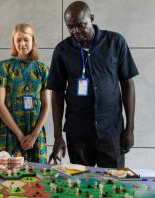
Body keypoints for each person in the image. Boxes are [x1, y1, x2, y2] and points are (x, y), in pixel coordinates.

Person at [47, 1, 138, 168]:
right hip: (78, 133)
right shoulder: (62, 50)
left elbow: (128, 84)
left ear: (92, 19)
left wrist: (130, 129)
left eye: (81, 25)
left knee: (113, 186)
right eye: (70, 27)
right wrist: (58, 136)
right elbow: (57, 94)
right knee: (81, 186)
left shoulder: (115, 42)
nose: (75, 31)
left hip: (111, 131)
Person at [0, 23, 51, 163]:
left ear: (33, 41)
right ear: (13, 42)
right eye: (18, 40)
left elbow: (46, 105)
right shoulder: (4, 67)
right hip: (9, 130)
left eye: (26, 40)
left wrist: (34, 136)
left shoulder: (42, 69)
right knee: (6, 176)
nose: (22, 44)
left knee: (36, 177)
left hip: (34, 130)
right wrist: (20, 135)